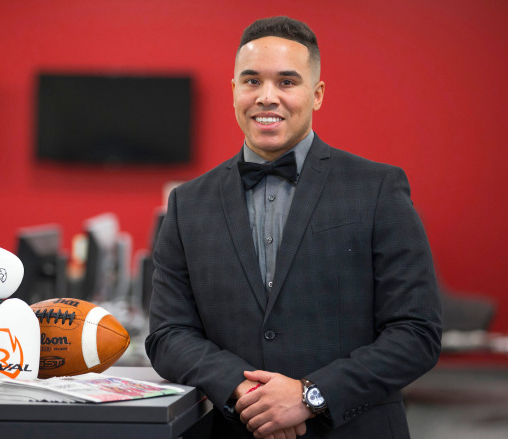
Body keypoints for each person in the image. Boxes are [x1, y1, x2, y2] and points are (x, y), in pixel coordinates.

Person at [145, 16, 441, 439]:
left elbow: (417, 333)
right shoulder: (187, 202)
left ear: (316, 95)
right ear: (234, 92)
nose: (267, 97)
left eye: (286, 82)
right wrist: (244, 391)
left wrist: (309, 396)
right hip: (235, 428)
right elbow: (168, 335)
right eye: (251, 82)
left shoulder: (378, 187)